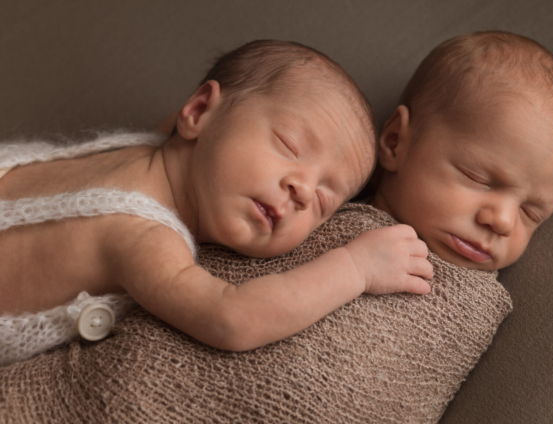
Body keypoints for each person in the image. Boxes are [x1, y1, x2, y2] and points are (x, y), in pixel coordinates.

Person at [0, 40, 433, 366]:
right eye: (289, 145)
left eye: (322, 200)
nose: (302, 189)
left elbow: (204, 130)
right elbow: (232, 317)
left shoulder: (147, 152)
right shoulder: (142, 236)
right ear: (199, 109)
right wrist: (356, 268)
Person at [369, 31, 553, 270]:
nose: (504, 222)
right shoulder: (328, 218)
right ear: (395, 142)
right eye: (478, 178)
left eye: (531, 213)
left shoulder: (487, 297)